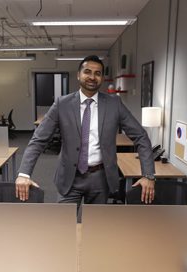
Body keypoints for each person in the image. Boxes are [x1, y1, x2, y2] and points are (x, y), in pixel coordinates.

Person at [15, 55, 156, 219]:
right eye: (87, 72)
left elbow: (141, 137)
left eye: (98, 73)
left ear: (102, 78)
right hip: (69, 177)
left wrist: (148, 175)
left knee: (95, 229)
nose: (92, 77)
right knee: (64, 226)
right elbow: (38, 141)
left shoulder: (114, 104)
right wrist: (23, 174)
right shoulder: (62, 104)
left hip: (100, 178)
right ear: (78, 75)